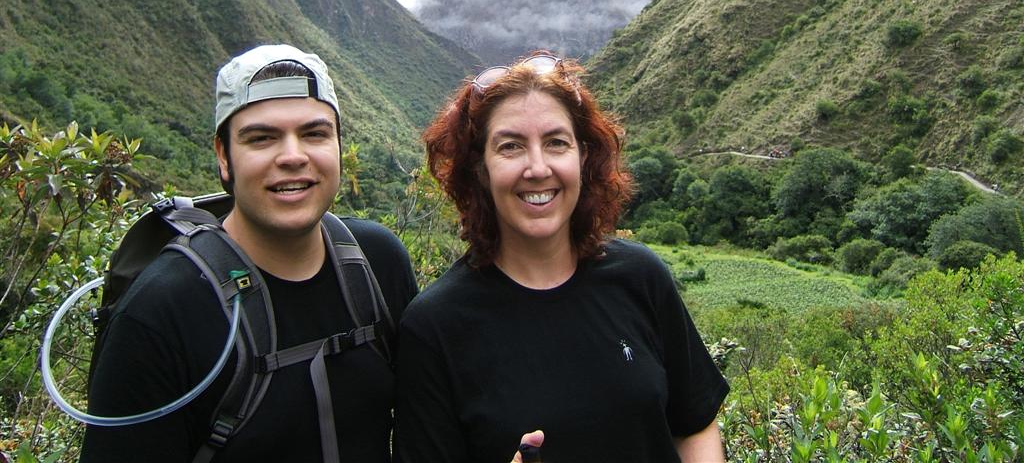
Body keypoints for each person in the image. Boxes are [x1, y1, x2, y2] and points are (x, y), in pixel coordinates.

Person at [80, 44, 418, 462]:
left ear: (338, 146)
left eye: (315, 133)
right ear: (224, 157)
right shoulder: (161, 312)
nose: (293, 156)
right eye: (261, 138)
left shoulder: (377, 262)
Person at [395, 51, 728, 462]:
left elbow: (695, 424)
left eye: (556, 143)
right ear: (480, 169)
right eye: (511, 146)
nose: (537, 167)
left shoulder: (640, 277)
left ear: (583, 157)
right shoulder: (435, 327)